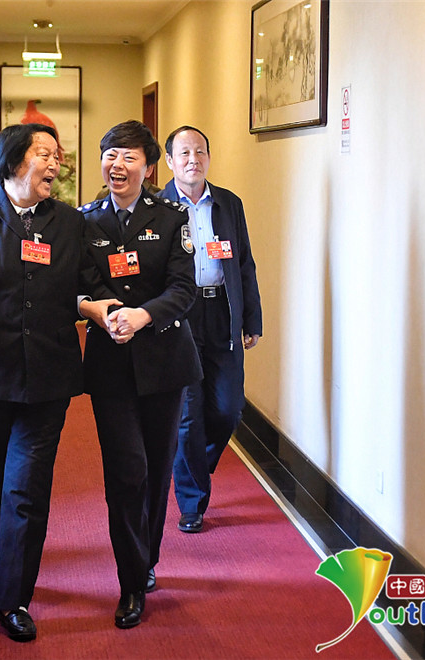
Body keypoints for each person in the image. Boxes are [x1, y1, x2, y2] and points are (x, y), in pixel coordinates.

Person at [0, 123, 112, 642]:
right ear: (13, 162)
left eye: (57, 156)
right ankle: (8, 559)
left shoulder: (69, 222)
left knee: (26, 488)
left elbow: (87, 286)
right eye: (44, 154)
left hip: (48, 377)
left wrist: (103, 308)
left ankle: (13, 597)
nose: (56, 165)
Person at [79, 120, 202, 629]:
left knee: (155, 468)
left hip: (163, 363)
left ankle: (146, 557)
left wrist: (142, 316)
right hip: (110, 366)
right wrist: (103, 312)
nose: (117, 165)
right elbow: (79, 284)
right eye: (110, 155)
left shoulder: (172, 217)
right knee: (126, 471)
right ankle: (131, 581)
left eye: (128, 157)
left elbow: (183, 288)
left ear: (148, 168)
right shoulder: (84, 221)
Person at [159, 125, 262, 534]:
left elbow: (244, 263)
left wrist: (251, 319)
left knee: (228, 408)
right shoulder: (158, 206)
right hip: (179, 314)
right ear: (170, 161)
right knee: (187, 415)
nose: (193, 160)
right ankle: (192, 502)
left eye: (199, 151)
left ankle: (195, 464)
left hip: (221, 311)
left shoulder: (228, 203)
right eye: (184, 153)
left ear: (208, 157)